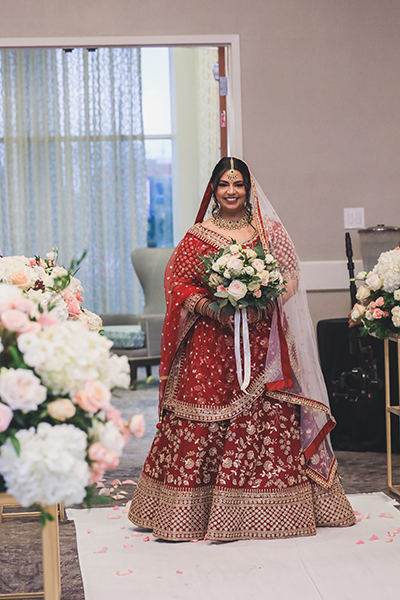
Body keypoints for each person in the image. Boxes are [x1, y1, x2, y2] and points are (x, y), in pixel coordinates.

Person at [128, 157, 355, 541]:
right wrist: (210, 307)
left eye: (238, 184)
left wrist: (264, 300)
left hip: (262, 344)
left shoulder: (267, 232)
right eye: (223, 184)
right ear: (213, 190)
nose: (231, 191)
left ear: (249, 190)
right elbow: (177, 282)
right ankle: (185, 515)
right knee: (200, 417)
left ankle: (267, 512)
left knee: (268, 417)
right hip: (209, 345)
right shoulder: (199, 234)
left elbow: (290, 274)